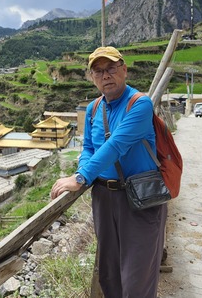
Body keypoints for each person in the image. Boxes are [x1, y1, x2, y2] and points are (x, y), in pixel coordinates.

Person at [50, 46, 167, 298]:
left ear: (124, 70)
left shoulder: (139, 104)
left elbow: (116, 145)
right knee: (109, 275)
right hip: (103, 197)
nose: (106, 75)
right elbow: (88, 148)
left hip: (140, 198)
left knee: (137, 279)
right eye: (98, 71)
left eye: (111, 68)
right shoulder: (93, 109)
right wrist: (84, 171)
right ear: (92, 77)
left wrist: (80, 177)